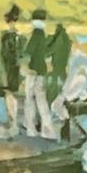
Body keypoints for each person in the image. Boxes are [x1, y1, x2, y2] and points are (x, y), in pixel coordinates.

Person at [23, 8, 56, 139]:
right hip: (41, 71)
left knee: (29, 99)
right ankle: (48, 130)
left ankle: (31, 129)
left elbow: (28, 52)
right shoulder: (43, 35)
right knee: (42, 100)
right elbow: (46, 53)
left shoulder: (36, 34)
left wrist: (24, 65)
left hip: (32, 72)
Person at [51, 46, 87, 120]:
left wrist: (64, 93)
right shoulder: (84, 59)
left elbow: (71, 78)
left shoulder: (76, 60)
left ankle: (61, 106)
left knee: (80, 79)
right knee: (80, 80)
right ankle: (62, 105)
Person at [0, 3, 23, 134]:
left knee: (9, 94)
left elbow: (5, 54)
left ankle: (13, 122)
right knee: (11, 94)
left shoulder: (8, 37)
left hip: (10, 68)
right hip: (13, 68)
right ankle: (13, 121)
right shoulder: (16, 36)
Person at [47, 20, 71, 99]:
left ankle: (55, 94)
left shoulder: (59, 38)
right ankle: (65, 91)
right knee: (62, 76)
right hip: (63, 61)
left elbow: (53, 49)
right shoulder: (65, 37)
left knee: (57, 76)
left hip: (58, 62)